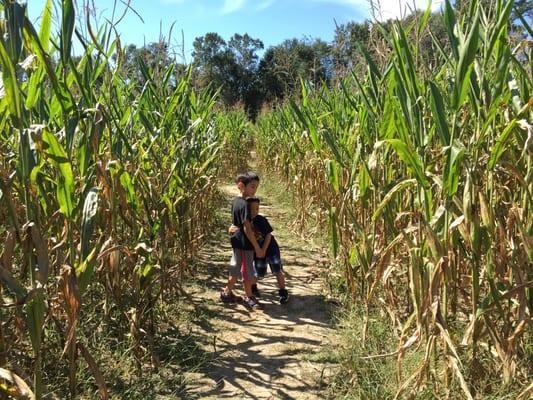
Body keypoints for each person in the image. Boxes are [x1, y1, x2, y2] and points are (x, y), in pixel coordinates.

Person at [220, 172, 265, 309]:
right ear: (241, 186)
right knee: (247, 270)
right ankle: (249, 296)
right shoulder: (245, 204)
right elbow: (246, 228)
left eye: (256, 187)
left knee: (235, 266)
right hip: (245, 242)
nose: (254, 190)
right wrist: (257, 246)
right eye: (252, 187)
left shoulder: (235, 202)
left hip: (236, 240)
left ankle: (227, 293)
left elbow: (235, 222)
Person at [246, 196, 289, 304]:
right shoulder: (245, 222)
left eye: (257, 208)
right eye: (251, 209)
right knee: (257, 270)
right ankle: (254, 288)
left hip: (270, 248)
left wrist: (263, 250)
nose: (254, 211)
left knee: (277, 269)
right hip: (257, 250)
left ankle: (283, 292)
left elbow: (268, 236)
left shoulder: (261, 220)